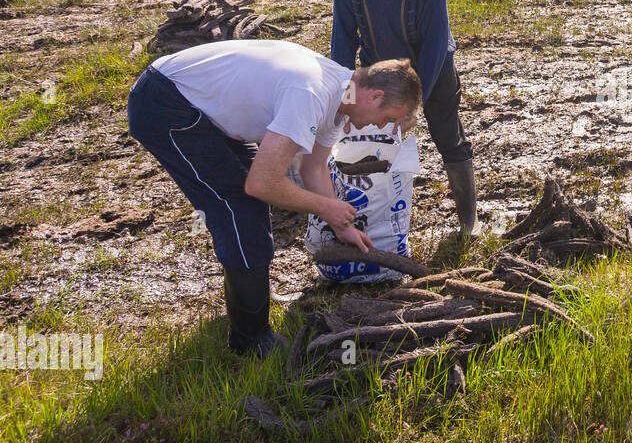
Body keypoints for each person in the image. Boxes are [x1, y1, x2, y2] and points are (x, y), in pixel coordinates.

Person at [126, 39, 421, 357]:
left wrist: (342, 225)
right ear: (375, 96)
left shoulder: (340, 96)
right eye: (390, 117)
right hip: (167, 103)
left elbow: (313, 168)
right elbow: (262, 183)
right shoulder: (311, 93)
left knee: (245, 209)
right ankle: (249, 339)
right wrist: (326, 206)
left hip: (201, 106)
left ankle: (245, 305)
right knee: (238, 209)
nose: (384, 126)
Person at [330, 0, 480, 238]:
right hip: (378, 70)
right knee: (373, 142)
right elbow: (343, 36)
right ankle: (378, 222)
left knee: (448, 137)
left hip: (431, 67)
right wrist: (343, 94)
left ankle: (469, 221)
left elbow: (436, 45)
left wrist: (413, 105)